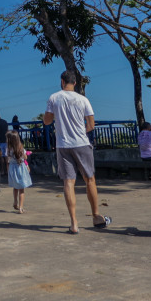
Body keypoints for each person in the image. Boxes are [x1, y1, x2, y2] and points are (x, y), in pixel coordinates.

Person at [43, 70, 109, 234]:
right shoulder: (83, 100)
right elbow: (91, 124)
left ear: (62, 81)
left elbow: (47, 121)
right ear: (75, 83)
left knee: (68, 182)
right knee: (90, 180)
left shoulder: (54, 98)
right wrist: (80, 133)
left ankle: (74, 223)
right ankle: (96, 216)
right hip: (81, 143)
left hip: (63, 144)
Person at [5, 132, 32, 214]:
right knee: (22, 189)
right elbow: (25, 157)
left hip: (12, 168)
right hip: (20, 168)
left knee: (15, 187)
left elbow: (8, 161)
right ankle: (21, 207)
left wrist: (8, 170)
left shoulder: (8, 150)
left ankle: (15, 202)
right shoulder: (21, 149)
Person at [0, 111, 9, 176]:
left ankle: (2, 171)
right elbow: (7, 130)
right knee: (6, 157)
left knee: (1, 157)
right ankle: (7, 171)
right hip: (5, 141)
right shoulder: (5, 122)